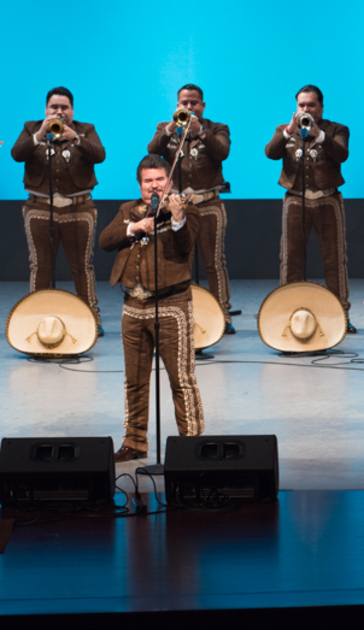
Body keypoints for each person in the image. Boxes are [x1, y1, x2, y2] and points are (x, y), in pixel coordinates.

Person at [99, 155, 204, 462]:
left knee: (181, 379)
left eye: (160, 179)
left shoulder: (187, 209)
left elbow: (185, 246)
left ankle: (191, 443)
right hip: (132, 305)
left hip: (171, 305)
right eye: (148, 181)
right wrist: (135, 227)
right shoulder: (127, 210)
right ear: (140, 184)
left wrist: (177, 218)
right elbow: (106, 240)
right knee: (134, 379)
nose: (154, 185)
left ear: (169, 182)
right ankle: (134, 442)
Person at [10, 86, 104, 335]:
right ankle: (35, 319)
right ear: (46, 109)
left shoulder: (86, 129)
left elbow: (100, 155)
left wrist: (76, 138)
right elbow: (16, 154)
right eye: (54, 107)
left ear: (72, 110)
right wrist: (40, 134)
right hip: (39, 208)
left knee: (82, 266)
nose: (59, 111)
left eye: (64, 107)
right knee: (40, 267)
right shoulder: (32, 127)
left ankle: (91, 318)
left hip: (79, 208)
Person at [264, 84, 356, 334]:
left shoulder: (337, 129)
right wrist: (286, 133)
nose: (306, 109)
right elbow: (270, 153)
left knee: (334, 259)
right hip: (296, 199)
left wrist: (319, 134)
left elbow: (342, 155)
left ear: (321, 107)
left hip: (328, 200)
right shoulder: (285, 129)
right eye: (301, 105)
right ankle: (289, 313)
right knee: (291, 259)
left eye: (311, 105)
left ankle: (341, 314)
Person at [148, 83, 236, 334]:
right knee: (178, 261)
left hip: (208, 202)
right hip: (178, 205)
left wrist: (202, 132)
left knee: (214, 262)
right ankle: (178, 313)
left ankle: (223, 314)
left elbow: (223, 152)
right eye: (184, 103)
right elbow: (152, 153)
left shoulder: (217, 128)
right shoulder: (165, 129)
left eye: (194, 103)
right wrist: (168, 129)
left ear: (202, 106)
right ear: (177, 106)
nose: (189, 107)